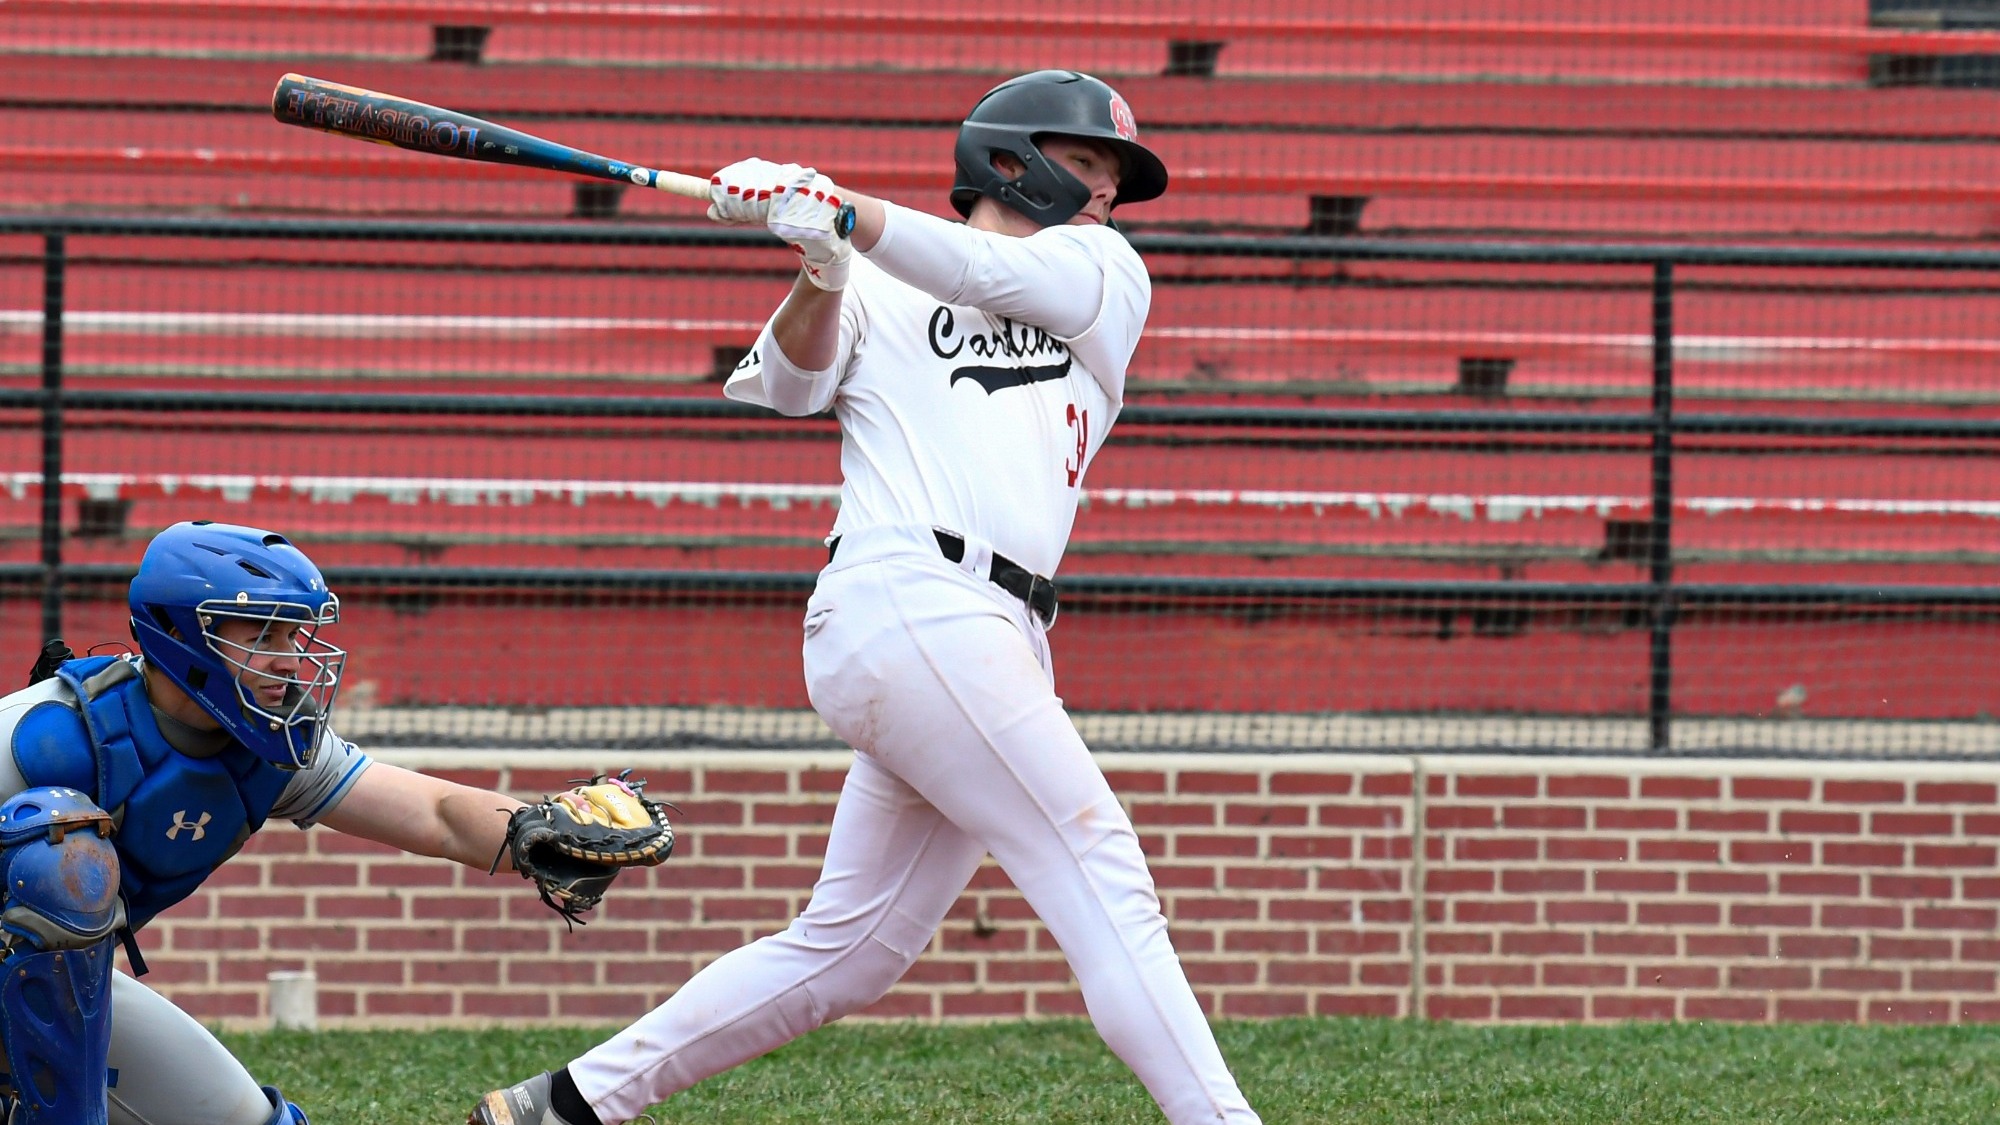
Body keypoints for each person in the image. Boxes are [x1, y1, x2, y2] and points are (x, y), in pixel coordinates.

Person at [469, 70, 1261, 1125]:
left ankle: (563, 1105)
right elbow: (793, 387)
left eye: (1111, 174)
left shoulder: (1102, 271)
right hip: (909, 597)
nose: (1105, 190)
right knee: (1098, 865)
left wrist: (843, 210)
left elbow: (977, 264)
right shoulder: (875, 276)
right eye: (1083, 164)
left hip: (988, 632)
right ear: (1008, 159)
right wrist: (820, 263)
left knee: (852, 950)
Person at [0, 520, 551, 1125]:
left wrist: (538, 831)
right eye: (265, 633)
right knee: (57, 854)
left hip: (48, 992)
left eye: (294, 635)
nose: (290, 661)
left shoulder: (266, 744)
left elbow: (437, 816)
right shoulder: (44, 733)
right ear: (186, 631)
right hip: (26, 977)